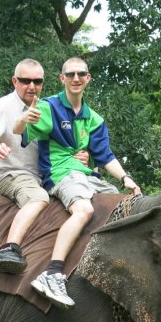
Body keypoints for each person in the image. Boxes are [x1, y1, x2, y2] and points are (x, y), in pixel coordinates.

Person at [13, 56, 141, 308]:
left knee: (119, 200)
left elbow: (105, 156)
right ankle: (52, 273)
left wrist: (126, 178)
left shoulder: (94, 118)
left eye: (81, 74)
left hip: (86, 175)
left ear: (88, 78)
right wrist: (23, 119)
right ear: (62, 79)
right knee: (84, 209)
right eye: (70, 74)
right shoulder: (48, 107)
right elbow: (20, 132)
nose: (76, 79)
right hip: (61, 174)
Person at [0, 59, 89, 274]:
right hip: (12, 173)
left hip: (45, 177)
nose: (32, 86)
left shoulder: (47, 107)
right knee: (38, 198)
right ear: (15, 81)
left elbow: (61, 145)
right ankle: (9, 249)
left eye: (37, 81)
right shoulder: (3, 106)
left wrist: (79, 155)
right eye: (25, 81)